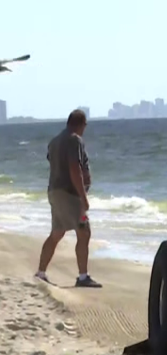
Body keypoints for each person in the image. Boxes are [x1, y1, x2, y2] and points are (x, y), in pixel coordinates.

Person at [35, 109, 102, 288]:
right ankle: (82, 277)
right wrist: (83, 196)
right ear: (81, 124)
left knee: (57, 232)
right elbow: (74, 168)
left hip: (55, 192)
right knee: (84, 231)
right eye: (85, 125)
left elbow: (55, 163)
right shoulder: (74, 140)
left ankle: (41, 272)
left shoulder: (55, 141)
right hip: (69, 194)